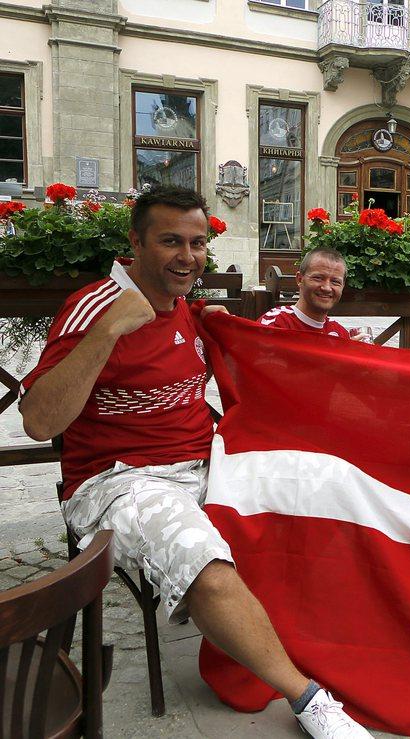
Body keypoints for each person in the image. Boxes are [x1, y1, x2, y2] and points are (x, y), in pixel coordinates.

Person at [19, 186, 371, 739]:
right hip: (120, 479)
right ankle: (308, 699)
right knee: (204, 562)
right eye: (170, 242)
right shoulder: (92, 307)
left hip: (202, 463)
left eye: (197, 242)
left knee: (322, 500)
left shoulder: (186, 309)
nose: (187, 256)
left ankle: (316, 643)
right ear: (134, 244)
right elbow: (39, 422)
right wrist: (111, 328)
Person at [259, 247, 369, 341]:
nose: (326, 288)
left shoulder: (340, 334)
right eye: (318, 278)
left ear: (343, 286)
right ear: (300, 279)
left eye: (335, 282)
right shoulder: (276, 323)